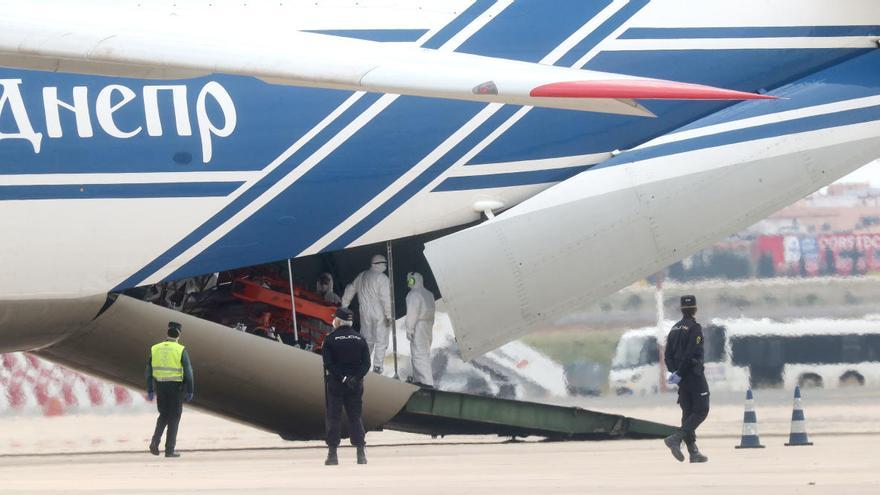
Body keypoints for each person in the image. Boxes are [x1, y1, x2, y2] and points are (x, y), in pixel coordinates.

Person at [663, 295, 710, 464]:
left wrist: (675, 372)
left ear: (681, 309)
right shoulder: (694, 328)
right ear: (695, 309)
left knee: (688, 412)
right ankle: (676, 438)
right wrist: (682, 372)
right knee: (702, 410)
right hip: (693, 376)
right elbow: (691, 354)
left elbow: (667, 355)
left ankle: (693, 451)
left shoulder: (674, 329)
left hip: (681, 379)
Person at [322, 307, 371, 465]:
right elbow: (366, 364)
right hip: (355, 385)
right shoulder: (360, 338)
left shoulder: (330, 339)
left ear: (338, 320)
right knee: (355, 417)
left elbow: (328, 363)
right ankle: (360, 455)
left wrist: (343, 378)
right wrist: (355, 378)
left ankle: (332, 455)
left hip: (336, 384)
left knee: (333, 418)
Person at [146, 321, 194, 458]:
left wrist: (150, 389)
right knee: (174, 417)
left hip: (160, 386)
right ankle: (169, 450)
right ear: (179, 334)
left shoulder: (155, 348)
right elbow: (189, 372)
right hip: (175, 388)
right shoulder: (180, 350)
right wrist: (190, 390)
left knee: (163, 415)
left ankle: (154, 442)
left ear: (167, 333)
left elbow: (148, 371)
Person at [341, 254, 392, 374]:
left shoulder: (362, 275)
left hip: (364, 311)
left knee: (366, 339)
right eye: (384, 264)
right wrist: (389, 315)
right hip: (379, 311)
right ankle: (377, 367)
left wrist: (344, 305)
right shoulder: (382, 278)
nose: (385, 266)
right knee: (381, 339)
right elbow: (386, 298)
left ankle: (362, 363)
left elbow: (350, 288)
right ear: (379, 264)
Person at [404, 272, 435, 388]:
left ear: (412, 280)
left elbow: (412, 313)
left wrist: (409, 329)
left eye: (409, 280)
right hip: (428, 326)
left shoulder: (413, 295)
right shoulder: (429, 294)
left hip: (418, 325)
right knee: (424, 353)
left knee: (418, 353)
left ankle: (425, 382)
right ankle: (419, 379)